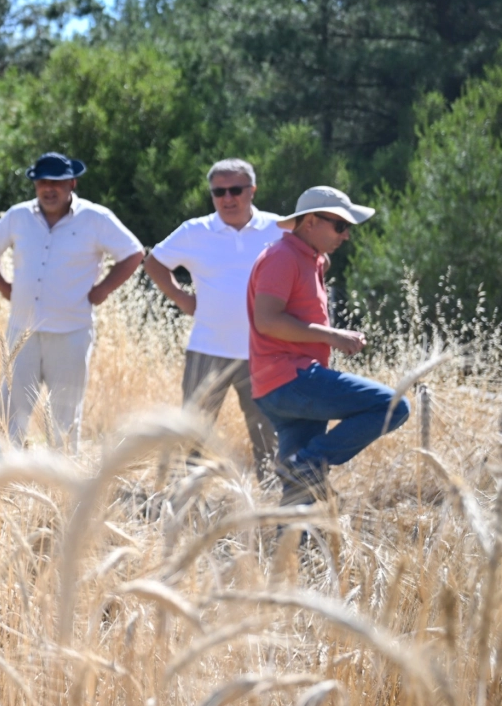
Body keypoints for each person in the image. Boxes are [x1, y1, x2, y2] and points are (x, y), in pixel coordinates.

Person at [248, 186, 409, 504]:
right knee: (393, 406)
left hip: (283, 383)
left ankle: (293, 533)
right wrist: (332, 336)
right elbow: (267, 321)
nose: (346, 235)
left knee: (301, 492)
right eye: (340, 225)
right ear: (310, 222)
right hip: (290, 379)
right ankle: (306, 464)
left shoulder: (307, 258)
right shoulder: (282, 258)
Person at [0, 153, 144, 450]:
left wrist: (103, 289)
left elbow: (133, 253)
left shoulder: (95, 218)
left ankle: (62, 476)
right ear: (35, 185)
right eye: (42, 182)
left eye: (57, 182)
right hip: (22, 330)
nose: (49, 188)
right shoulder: (18, 216)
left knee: (65, 416)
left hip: (71, 333)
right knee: (8, 410)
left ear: (72, 183)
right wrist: (3, 286)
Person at [143, 159, 281, 471]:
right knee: (192, 433)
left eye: (236, 190)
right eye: (219, 192)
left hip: (264, 351)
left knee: (268, 435)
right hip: (207, 348)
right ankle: (184, 495)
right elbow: (153, 263)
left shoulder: (279, 228)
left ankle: (273, 497)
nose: (227, 198)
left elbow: (315, 259)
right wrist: (181, 298)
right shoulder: (195, 231)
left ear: (253, 190)